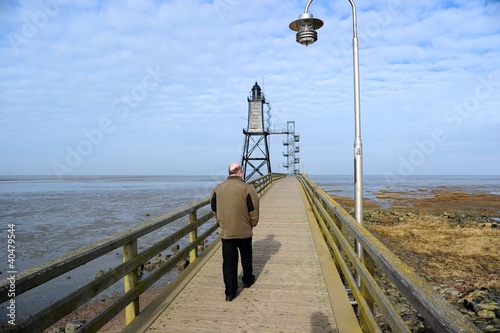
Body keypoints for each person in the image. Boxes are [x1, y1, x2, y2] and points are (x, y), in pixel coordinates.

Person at [210, 162, 260, 301]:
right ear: (240, 172)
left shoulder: (217, 189)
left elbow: (214, 208)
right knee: (246, 257)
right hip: (244, 230)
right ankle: (247, 280)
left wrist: (220, 222)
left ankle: (230, 292)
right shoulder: (248, 188)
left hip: (226, 232)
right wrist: (253, 223)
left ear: (229, 172)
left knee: (229, 262)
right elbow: (253, 209)